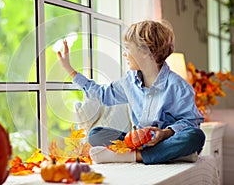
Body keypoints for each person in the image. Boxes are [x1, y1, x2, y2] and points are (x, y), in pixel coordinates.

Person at [57, 20, 205, 164]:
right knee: (95, 134)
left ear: (145, 52)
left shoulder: (178, 86)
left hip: (168, 140)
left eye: (128, 48)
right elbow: (102, 95)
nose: (124, 54)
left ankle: (137, 156)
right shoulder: (129, 82)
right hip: (139, 143)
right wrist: (70, 71)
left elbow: (191, 122)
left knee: (196, 136)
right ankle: (167, 155)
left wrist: (165, 134)